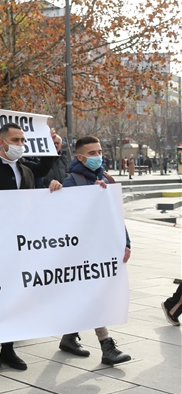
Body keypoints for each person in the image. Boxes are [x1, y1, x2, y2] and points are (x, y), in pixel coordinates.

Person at [0, 122, 61, 370]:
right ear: (2, 142)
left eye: (23, 140)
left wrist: (52, 148)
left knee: (14, 296)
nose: (21, 144)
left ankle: (8, 349)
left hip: (19, 244)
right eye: (16, 140)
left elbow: (42, 173)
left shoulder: (26, 170)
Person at [56, 136, 132, 365]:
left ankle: (68, 337)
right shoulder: (71, 183)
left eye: (99, 151)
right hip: (82, 253)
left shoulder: (105, 179)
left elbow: (117, 216)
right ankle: (106, 345)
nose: (98, 156)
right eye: (92, 153)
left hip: (102, 250)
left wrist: (126, 242)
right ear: (80, 157)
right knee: (95, 296)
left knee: (88, 295)